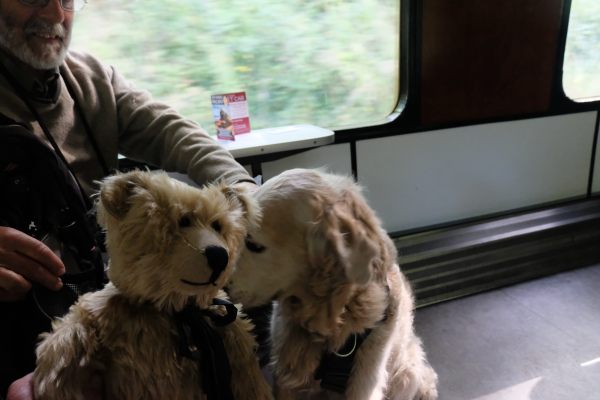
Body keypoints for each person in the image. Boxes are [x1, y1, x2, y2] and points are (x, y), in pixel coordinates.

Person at [0, 0, 257, 398]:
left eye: (67, 0)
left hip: (109, 295)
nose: (54, 14)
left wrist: (246, 196)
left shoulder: (91, 78)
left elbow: (176, 134)